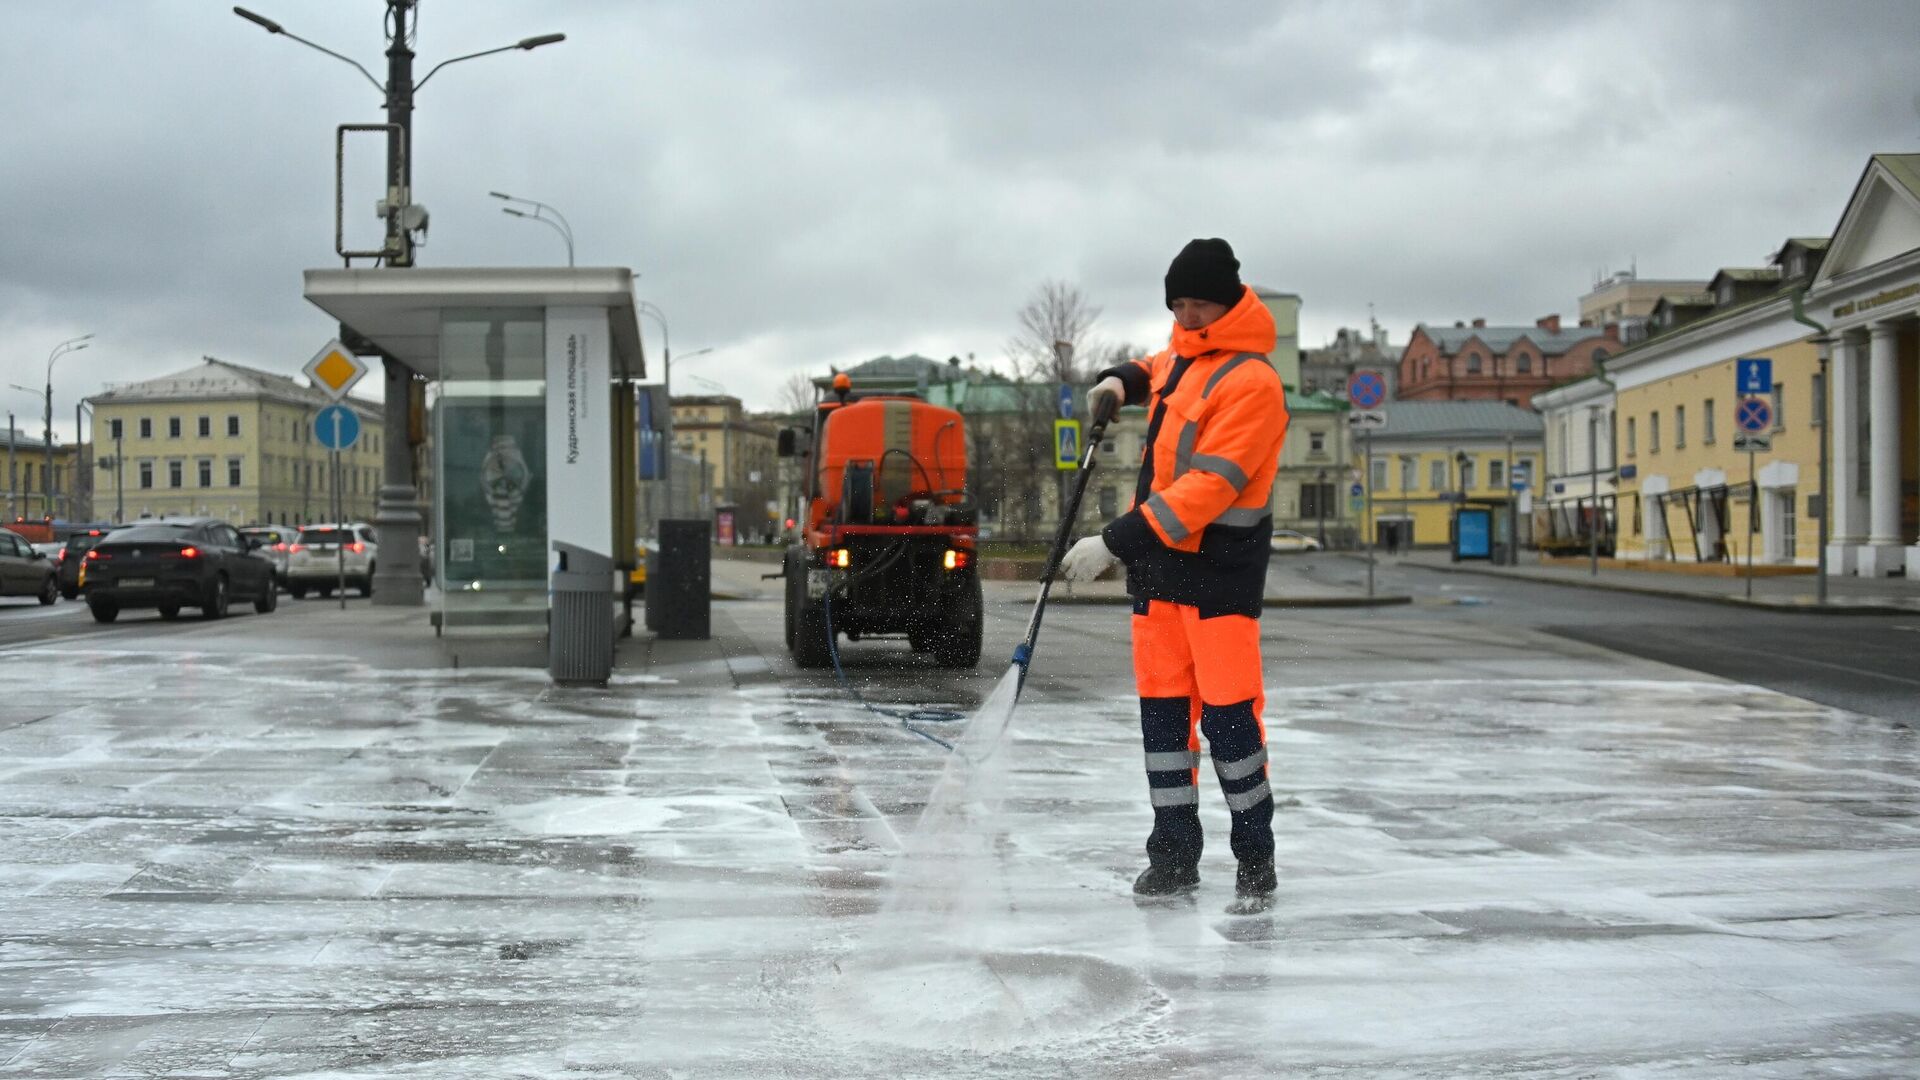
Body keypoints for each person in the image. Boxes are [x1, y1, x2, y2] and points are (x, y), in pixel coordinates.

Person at [1060, 238, 1290, 902]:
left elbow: (1207, 489)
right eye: (1179, 304)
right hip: (1160, 579)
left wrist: (1113, 541)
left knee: (1229, 726)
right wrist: (1115, 381)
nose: (1188, 316)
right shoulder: (1182, 360)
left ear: (1230, 301)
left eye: (1201, 304)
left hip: (1219, 581)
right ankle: (1173, 856)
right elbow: (1149, 367)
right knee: (1163, 728)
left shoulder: (1253, 382)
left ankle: (1254, 855)